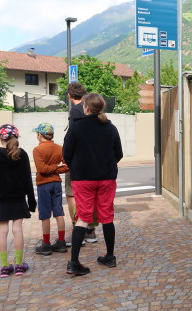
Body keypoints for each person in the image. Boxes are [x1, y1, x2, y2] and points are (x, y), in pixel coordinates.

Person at [63, 93, 123, 276]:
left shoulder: (76, 127)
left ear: (86, 108)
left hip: (82, 178)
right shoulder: (111, 128)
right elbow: (118, 153)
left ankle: (74, 262)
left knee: (83, 217)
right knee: (107, 215)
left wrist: (77, 166)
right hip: (106, 178)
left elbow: (66, 153)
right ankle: (110, 257)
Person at [0, 124, 36, 277]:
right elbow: (28, 180)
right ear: (16, 137)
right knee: (17, 229)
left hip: (0, 199)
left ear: (1, 138)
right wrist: (32, 202)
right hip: (18, 198)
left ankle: (5, 267)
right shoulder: (22, 154)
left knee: (3, 230)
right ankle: (19, 265)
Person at [65, 82, 97, 243]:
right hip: (93, 161)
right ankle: (90, 230)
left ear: (69, 95)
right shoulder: (91, 109)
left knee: (72, 194)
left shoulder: (75, 112)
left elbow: (72, 139)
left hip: (78, 161)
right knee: (90, 195)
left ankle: (78, 228)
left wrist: (67, 159)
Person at [32, 122, 70, 255]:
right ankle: (61, 242)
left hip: (43, 184)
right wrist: (56, 166)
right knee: (59, 213)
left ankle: (46, 244)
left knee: (45, 215)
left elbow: (41, 170)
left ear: (39, 135)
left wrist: (50, 168)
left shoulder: (37, 150)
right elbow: (66, 167)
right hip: (56, 184)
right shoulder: (59, 148)